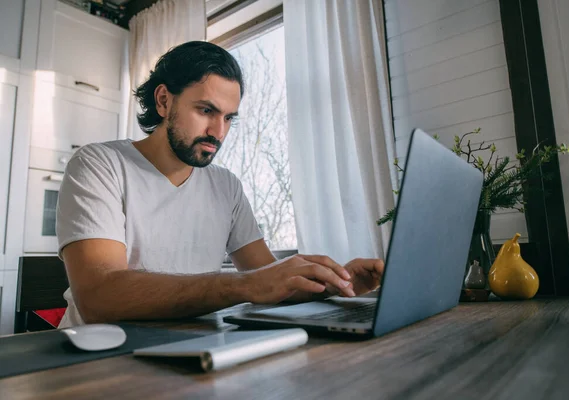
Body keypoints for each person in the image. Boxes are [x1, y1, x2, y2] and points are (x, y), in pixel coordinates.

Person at [56, 41, 384, 328]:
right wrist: (241, 286)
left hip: (190, 352)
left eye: (229, 117)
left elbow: (271, 280)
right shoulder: (99, 164)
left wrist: (335, 283)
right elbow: (99, 297)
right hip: (99, 359)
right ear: (163, 101)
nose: (219, 132)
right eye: (206, 110)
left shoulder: (226, 187)